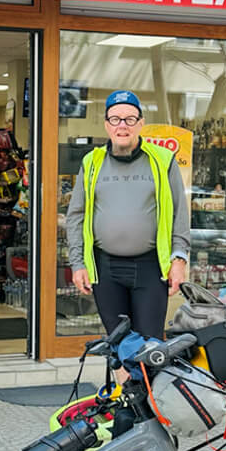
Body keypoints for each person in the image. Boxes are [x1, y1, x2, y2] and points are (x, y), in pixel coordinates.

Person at [66, 89, 189, 341]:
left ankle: (146, 382)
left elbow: (180, 214)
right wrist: (78, 263)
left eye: (130, 119)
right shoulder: (91, 162)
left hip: (151, 267)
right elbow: (76, 215)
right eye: (115, 119)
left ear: (141, 123)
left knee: (150, 342)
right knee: (117, 342)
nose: (122, 125)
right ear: (106, 125)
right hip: (105, 268)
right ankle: (125, 382)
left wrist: (179, 259)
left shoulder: (163, 160)